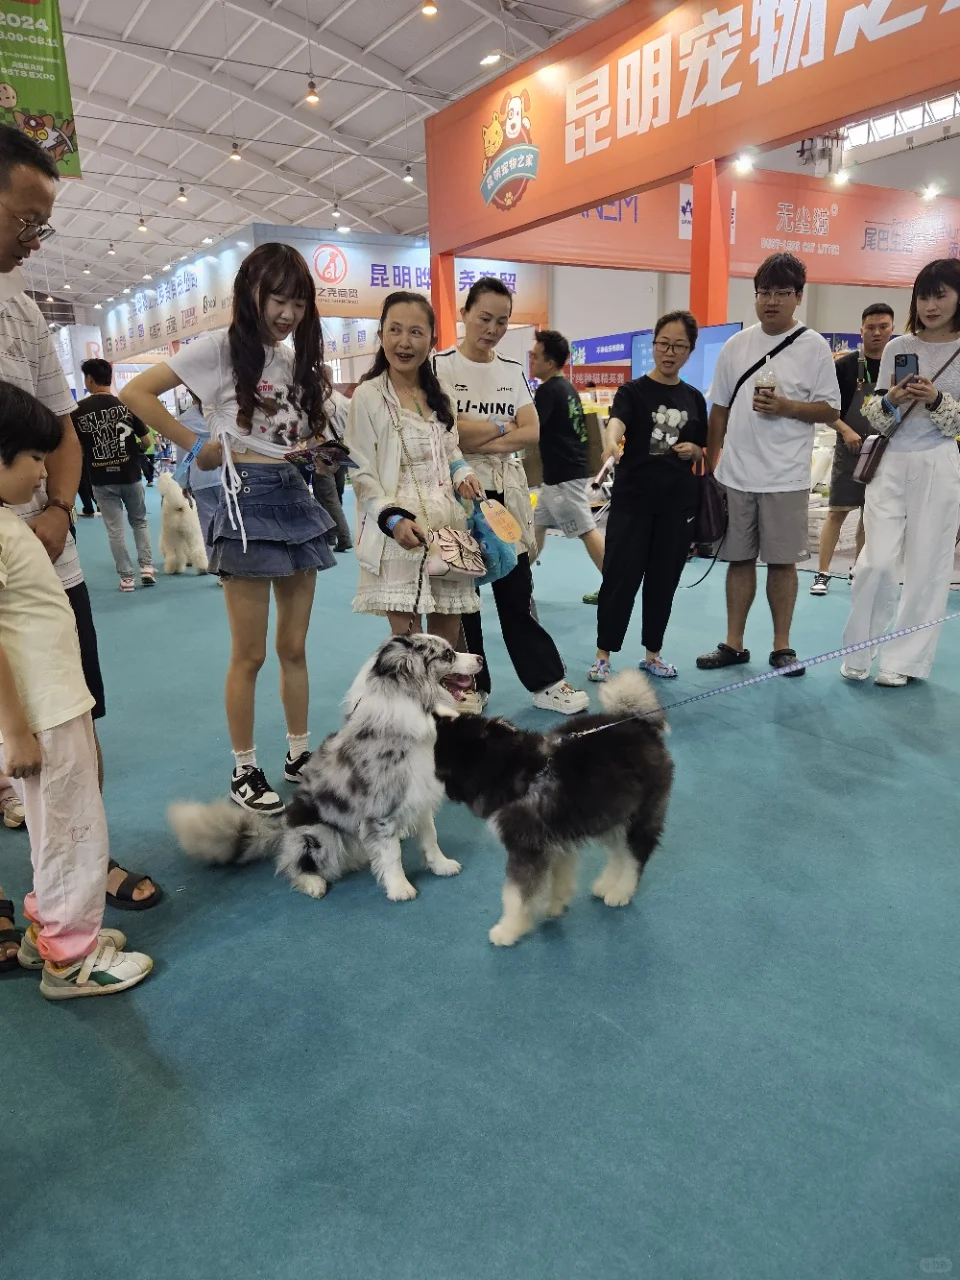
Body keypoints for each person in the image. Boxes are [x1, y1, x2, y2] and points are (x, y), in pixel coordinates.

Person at [0, 125, 160, 969]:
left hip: (44, 559)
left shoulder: (21, 306)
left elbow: (60, 430)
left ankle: (75, 882)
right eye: (25, 220)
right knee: (23, 740)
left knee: (70, 729)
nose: (35, 240)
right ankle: (54, 925)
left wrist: (59, 509)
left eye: (43, 225)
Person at [121, 243, 337, 814]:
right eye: (278, 299)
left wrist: (317, 452)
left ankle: (299, 754)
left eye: (298, 302)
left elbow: (293, 434)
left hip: (294, 496)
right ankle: (245, 769)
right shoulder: (217, 348)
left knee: (294, 647)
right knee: (250, 653)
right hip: (244, 504)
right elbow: (134, 392)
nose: (288, 313)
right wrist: (195, 445)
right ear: (250, 294)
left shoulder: (291, 360)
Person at [0, 383, 153, 996]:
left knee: (54, 828)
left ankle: (50, 930)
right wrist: (15, 729)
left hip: (51, 702)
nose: (44, 473)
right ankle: (70, 958)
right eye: (35, 459)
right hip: (44, 711)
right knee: (71, 828)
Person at [434, 277, 588, 715]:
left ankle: (546, 682)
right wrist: (503, 428)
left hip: (505, 494)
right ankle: (470, 686)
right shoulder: (440, 368)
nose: (493, 329)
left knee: (517, 591)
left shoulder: (511, 370)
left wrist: (479, 433)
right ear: (465, 313)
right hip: (458, 492)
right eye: (485, 318)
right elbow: (447, 434)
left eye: (502, 321)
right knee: (463, 598)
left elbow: (531, 431)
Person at [697, 253, 841, 677]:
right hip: (736, 474)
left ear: (798, 296)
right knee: (738, 560)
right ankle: (733, 644)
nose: (771, 301)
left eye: (781, 292)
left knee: (783, 563)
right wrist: (711, 466)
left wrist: (787, 406)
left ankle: (782, 647)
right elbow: (719, 410)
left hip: (786, 477)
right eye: (764, 292)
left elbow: (830, 409)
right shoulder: (736, 346)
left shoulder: (813, 347)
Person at [840, 259, 960, 686]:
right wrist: (890, 399)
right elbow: (876, 416)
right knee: (875, 563)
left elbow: (957, 424)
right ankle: (858, 650)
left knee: (929, 566)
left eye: (940, 295)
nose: (931, 305)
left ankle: (905, 662)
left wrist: (935, 400)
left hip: (939, 462)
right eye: (924, 296)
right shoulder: (898, 347)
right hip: (890, 461)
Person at [347, 291, 483, 641]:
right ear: (381, 335)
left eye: (416, 332)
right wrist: (392, 519)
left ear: (432, 340)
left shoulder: (442, 393)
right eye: (395, 330)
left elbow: (449, 449)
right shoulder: (367, 396)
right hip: (399, 531)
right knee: (409, 645)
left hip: (447, 528)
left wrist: (462, 472)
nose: (404, 342)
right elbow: (360, 471)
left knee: (446, 643)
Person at [589, 311, 707, 682]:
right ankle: (603, 655)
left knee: (663, 582)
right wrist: (610, 443)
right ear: (654, 345)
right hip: (632, 502)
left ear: (690, 351)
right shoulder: (632, 391)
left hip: (676, 506)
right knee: (619, 578)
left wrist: (695, 450)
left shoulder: (694, 398)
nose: (669, 352)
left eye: (679, 346)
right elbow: (616, 423)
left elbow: (702, 446)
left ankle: (653, 654)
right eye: (663, 344)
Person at [811, 304, 895, 595]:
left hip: (884, 451)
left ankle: (858, 569)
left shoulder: (897, 368)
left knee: (868, 516)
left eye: (883, 327)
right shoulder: (844, 367)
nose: (876, 333)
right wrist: (845, 430)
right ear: (861, 331)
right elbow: (825, 409)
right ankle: (822, 573)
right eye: (870, 327)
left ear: (892, 330)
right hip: (850, 449)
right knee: (837, 512)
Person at [72, 357, 156, 591]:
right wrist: (133, 452)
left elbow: (76, 448)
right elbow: (147, 441)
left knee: (115, 530)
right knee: (139, 522)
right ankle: (147, 568)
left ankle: (127, 578)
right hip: (130, 475)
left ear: (89, 379)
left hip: (101, 479)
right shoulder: (126, 405)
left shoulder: (77, 411)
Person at [528, 329, 605, 579]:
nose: (531, 360)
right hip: (560, 476)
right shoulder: (567, 388)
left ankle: (616, 587)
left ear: (550, 363)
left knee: (587, 530)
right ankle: (518, 582)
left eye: (536, 356)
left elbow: (531, 429)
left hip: (564, 478)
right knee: (537, 525)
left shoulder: (548, 391)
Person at [174, 393, 221, 564]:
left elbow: (184, 456)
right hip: (227, 475)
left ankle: (217, 567)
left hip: (200, 478)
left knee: (208, 525)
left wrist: (182, 482)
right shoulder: (222, 414)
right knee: (233, 523)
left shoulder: (184, 420)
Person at [311, 363, 352, 552]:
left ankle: (341, 536)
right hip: (341, 449)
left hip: (322, 452)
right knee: (337, 492)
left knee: (326, 496)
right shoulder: (343, 400)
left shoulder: (314, 402)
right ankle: (331, 533)